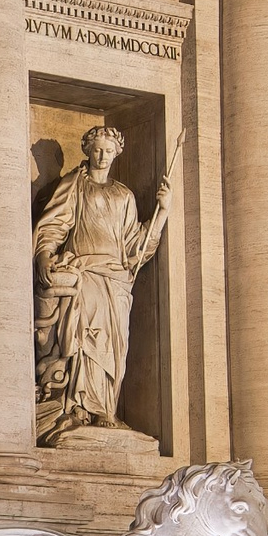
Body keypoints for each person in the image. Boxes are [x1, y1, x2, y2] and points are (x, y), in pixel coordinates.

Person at [33, 124, 168, 443]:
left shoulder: (124, 196)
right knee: (83, 341)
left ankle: (105, 408)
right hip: (85, 273)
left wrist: (163, 211)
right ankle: (78, 406)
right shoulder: (74, 186)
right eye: (97, 149)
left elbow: (136, 245)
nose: (102, 155)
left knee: (113, 347)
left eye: (108, 150)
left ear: (117, 152)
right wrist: (43, 254)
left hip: (116, 279)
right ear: (87, 151)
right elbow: (54, 225)